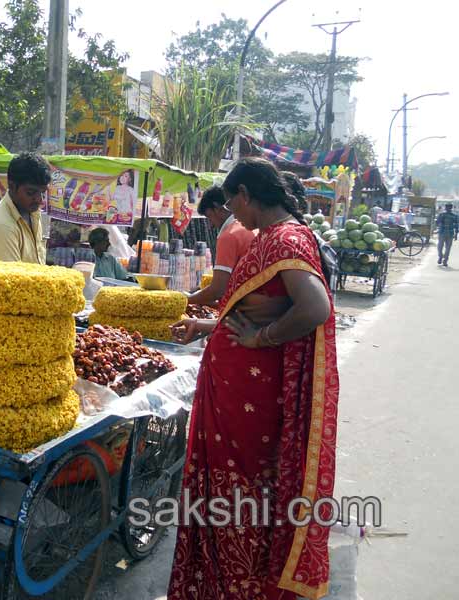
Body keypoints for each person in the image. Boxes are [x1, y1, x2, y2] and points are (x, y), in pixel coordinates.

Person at [168, 157, 338, 600]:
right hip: (231, 392)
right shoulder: (269, 237)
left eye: (233, 204)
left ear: (245, 195)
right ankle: (224, 580)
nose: (233, 215)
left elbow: (314, 307)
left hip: (251, 401)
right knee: (230, 493)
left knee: (244, 492)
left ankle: (246, 584)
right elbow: (251, 308)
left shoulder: (286, 240)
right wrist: (205, 328)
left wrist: (263, 339)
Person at [187, 186, 255, 306]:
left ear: (217, 208)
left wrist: (185, 300)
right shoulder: (247, 228)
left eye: (209, 217)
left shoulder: (229, 235)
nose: (210, 226)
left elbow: (218, 290)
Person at [0, 152, 50, 263]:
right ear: (12, 186)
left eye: (43, 193)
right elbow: (13, 278)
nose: (40, 199)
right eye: (31, 192)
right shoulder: (2, 226)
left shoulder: (33, 213)